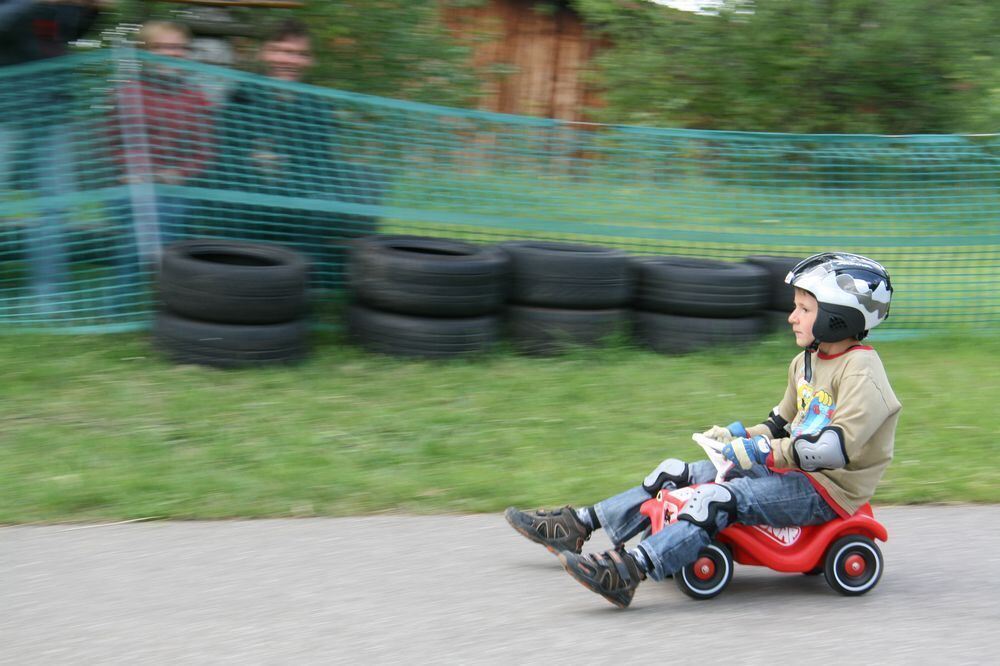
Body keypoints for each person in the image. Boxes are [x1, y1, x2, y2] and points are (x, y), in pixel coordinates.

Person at [505, 252, 901, 608]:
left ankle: (629, 571)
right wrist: (734, 436)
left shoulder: (862, 372)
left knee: (713, 500)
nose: (791, 317)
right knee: (672, 474)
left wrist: (763, 453)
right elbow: (779, 423)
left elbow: (832, 449)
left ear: (838, 314)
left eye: (804, 308)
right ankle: (578, 525)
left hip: (826, 490)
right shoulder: (805, 362)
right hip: (789, 471)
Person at [210, 18, 384, 288]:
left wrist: (290, 172)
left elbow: (321, 163)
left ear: (310, 61)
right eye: (282, 50)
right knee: (233, 204)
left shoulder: (317, 107)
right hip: (249, 189)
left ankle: (299, 286)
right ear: (265, 53)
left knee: (321, 206)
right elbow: (228, 154)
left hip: (299, 193)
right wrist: (255, 163)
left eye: (299, 54)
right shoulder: (240, 95)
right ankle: (240, 284)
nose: (289, 60)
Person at [0, 0, 109, 313]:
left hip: (53, 115)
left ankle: (48, 296)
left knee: (56, 206)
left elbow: (71, 34)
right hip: (6, 113)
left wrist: (93, 10)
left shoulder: (59, 6)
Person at [114, 20, 213, 254]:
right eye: (160, 47)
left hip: (177, 189)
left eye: (178, 47)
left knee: (170, 213)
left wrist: (180, 173)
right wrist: (131, 170)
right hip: (131, 187)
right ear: (144, 52)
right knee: (141, 217)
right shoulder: (128, 94)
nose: (171, 54)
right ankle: (130, 285)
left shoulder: (196, 98)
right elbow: (111, 145)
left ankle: (165, 280)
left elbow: (204, 152)